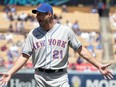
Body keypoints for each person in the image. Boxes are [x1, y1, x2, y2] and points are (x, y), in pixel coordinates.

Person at [0, 3, 114, 87]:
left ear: (49, 14)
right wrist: (10, 73)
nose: (37, 17)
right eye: (37, 14)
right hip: (40, 77)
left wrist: (98, 65)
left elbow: (81, 50)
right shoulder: (32, 33)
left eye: (40, 14)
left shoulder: (65, 31)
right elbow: (24, 56)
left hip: (60, 77)